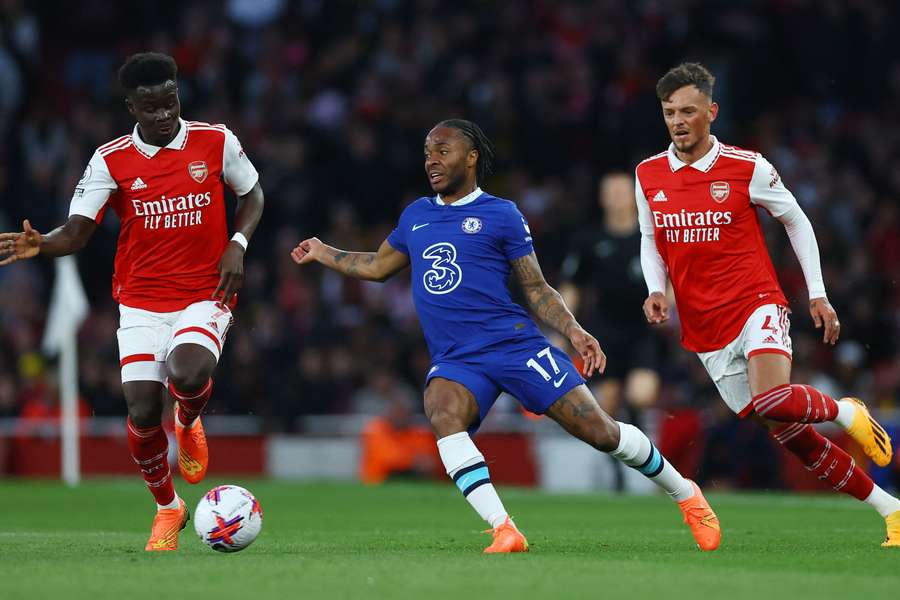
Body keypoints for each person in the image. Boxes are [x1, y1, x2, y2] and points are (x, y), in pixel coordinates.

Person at [291, 118, 721, 553]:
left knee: (601, 432)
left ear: (472, 157)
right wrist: (325, 252)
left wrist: (572, 329)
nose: (432, 161)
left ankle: (686, 494)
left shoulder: (501, 214)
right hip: (458, 357)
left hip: (514, 346)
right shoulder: (416, 215)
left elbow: (534, 287)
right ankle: (504, 529)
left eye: (443, 151)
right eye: (427, 153)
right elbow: (379, 267)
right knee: (442, 409)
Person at [0, 52, 264, 551]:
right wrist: (43, 243)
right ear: (131, 107)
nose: (164, 114)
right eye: (151, 107)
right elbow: (77, 231)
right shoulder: (111, 159)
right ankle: (168, 508)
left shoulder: (215, 139)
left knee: (187, 373)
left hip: (204, 292)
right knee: (142, 409)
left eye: (171, 102)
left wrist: (238, 243)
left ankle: (187, 422)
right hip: (140, 301)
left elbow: (252, 194)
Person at [635, 62, 898, 547]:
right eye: (669, 112)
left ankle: (847, 412)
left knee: (774, 397)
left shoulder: (746, 166)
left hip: (756, 302)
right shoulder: (648, 173)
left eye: (688, 111)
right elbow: (651, 237)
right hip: (703, 325)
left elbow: (796, 221)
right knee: (785, 429)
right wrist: (657, 288)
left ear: (711, 112)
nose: (677, 121)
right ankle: (892, 510)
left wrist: (817, 293)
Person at [559, 173, 662, 481]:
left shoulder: (651, 237)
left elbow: (670, 277)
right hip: (604, 331)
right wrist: (566, 325)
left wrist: (667, 304)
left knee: (641, 395)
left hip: (643, 329)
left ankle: (640, 446)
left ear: (634, 196)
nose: (616, 197)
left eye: (621, 191)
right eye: (610, 192)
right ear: (602, 199)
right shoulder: (589, 239)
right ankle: (619, 473)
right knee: (607, 404)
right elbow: (572, 285)